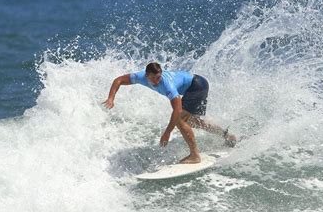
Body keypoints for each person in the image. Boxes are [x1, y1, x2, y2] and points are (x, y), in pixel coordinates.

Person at [102, 62, 237, 164]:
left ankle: (195, 156)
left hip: (197, 86)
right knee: (192, 122)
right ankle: (227, 135)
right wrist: (111, 98)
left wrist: (167, 132)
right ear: (146, 75)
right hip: (197, 84)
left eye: (159, 77)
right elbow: (118, 80)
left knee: (180, 120)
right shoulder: (139, 77)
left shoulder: (167, 85)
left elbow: (177, 110)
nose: (157, 80)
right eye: (154, 78)